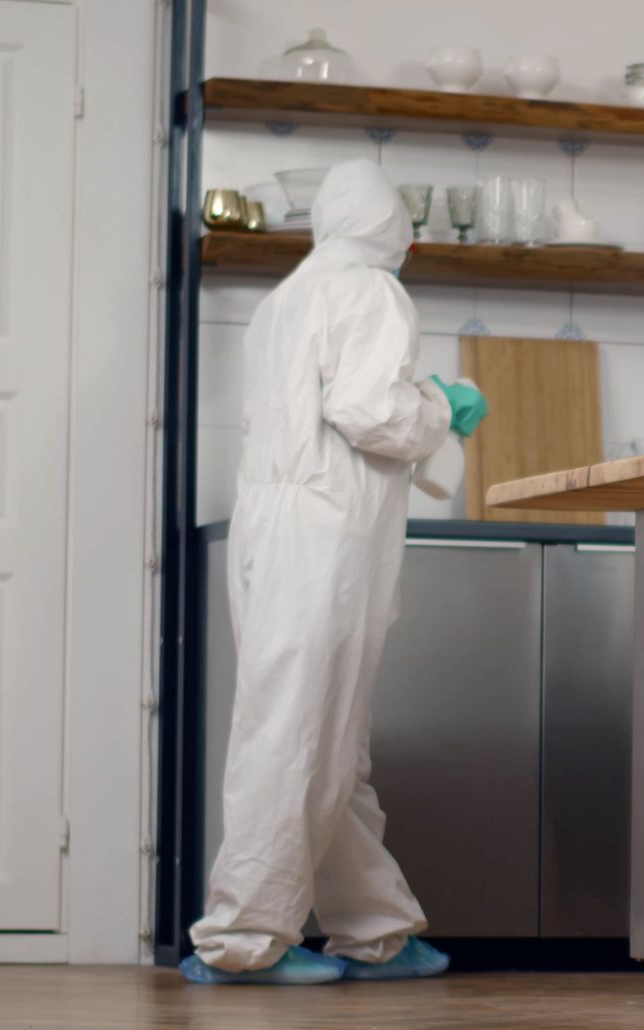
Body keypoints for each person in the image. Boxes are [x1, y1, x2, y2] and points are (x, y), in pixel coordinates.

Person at [182, 160, 488, 985]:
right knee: (296, 734)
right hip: (327, 535)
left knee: (325, 736)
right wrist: (441, 407)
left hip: (275, 524)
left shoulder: (284, 300)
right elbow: (369, 410)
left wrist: (418, 396)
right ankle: (242, 941)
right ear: (392, 228)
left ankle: (375, 928)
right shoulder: (372, 291)